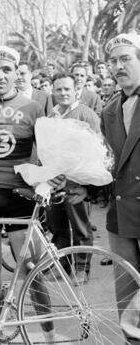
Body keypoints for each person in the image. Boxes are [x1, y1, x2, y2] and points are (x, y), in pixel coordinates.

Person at [0, 45, 68, 342]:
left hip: (20, 193)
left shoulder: (32, 108)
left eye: (7, 69)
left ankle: (50, 335)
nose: (1, 75)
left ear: (17, 74)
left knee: (32, 268)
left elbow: (48, 151)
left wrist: (52, 179)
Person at [101, 32, 140, 344]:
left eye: (126, 58)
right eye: (113, 61)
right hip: (120, 213)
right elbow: (109, 159)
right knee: (127, 290)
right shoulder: (110, 110)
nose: (118, 66)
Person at [47, 73, 101, 285]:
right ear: (53, 91)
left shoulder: (86, 114)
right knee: (57, 226)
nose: (63, 93)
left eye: (67, 89)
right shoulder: (52, 116)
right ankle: (62, 266)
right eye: (58, 89)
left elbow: (99, 150)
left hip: (77, 182)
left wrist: (88, 183)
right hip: (54, 181)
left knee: (80, 227)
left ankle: (82, 269)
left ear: (75, 89)